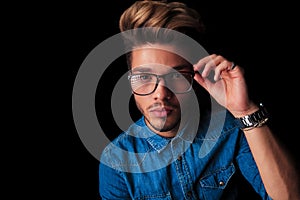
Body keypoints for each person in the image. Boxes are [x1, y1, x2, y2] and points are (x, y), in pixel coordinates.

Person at [99, 0, 300, 199]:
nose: (160, 93)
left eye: (176, 76)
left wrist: (245, 111)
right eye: (144, 77)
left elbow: (288, 197)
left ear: (195, 76)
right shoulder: (117, 161)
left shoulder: (229, 131)